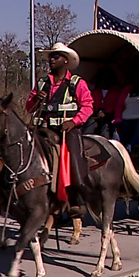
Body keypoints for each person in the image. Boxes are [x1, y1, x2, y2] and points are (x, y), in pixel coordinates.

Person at [27, 43, 94, 209]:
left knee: (74, 160)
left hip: (68, 130)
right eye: (50, 57)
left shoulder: (77, 83)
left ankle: (80, 199)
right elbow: (29, 108)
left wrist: (73, 122)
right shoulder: (42, 83)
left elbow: (88, 106)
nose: (52, 60)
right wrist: (35, 100)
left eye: (55, 57)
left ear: (66, 61)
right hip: (44, 129)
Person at [115, 78, 139, 154]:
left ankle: (130, 150)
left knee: (138, 137)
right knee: (120, 136)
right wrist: (118, 119)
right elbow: (119, 105)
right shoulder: (127, 89)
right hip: (126, 118)